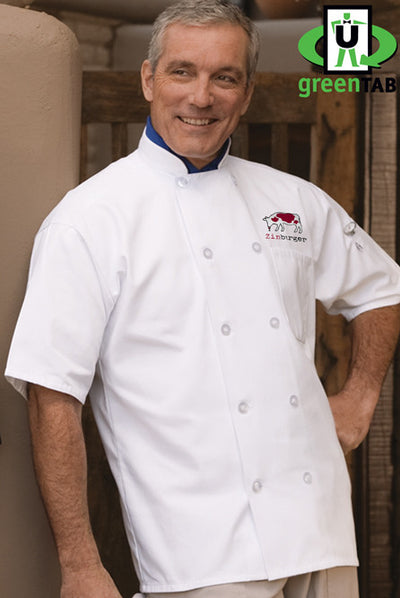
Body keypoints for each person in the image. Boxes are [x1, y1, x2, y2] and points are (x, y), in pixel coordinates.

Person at [5, 1, 400, 597]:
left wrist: (361, 395)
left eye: (225, 77)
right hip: (197, 552)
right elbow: (51, 395)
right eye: (182, 72)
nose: (202, 96)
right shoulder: (88, 220)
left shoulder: (293, 200)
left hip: (321, 531)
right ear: (149, 79)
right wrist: (80, 564)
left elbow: (381, 287)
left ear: (246, 93)